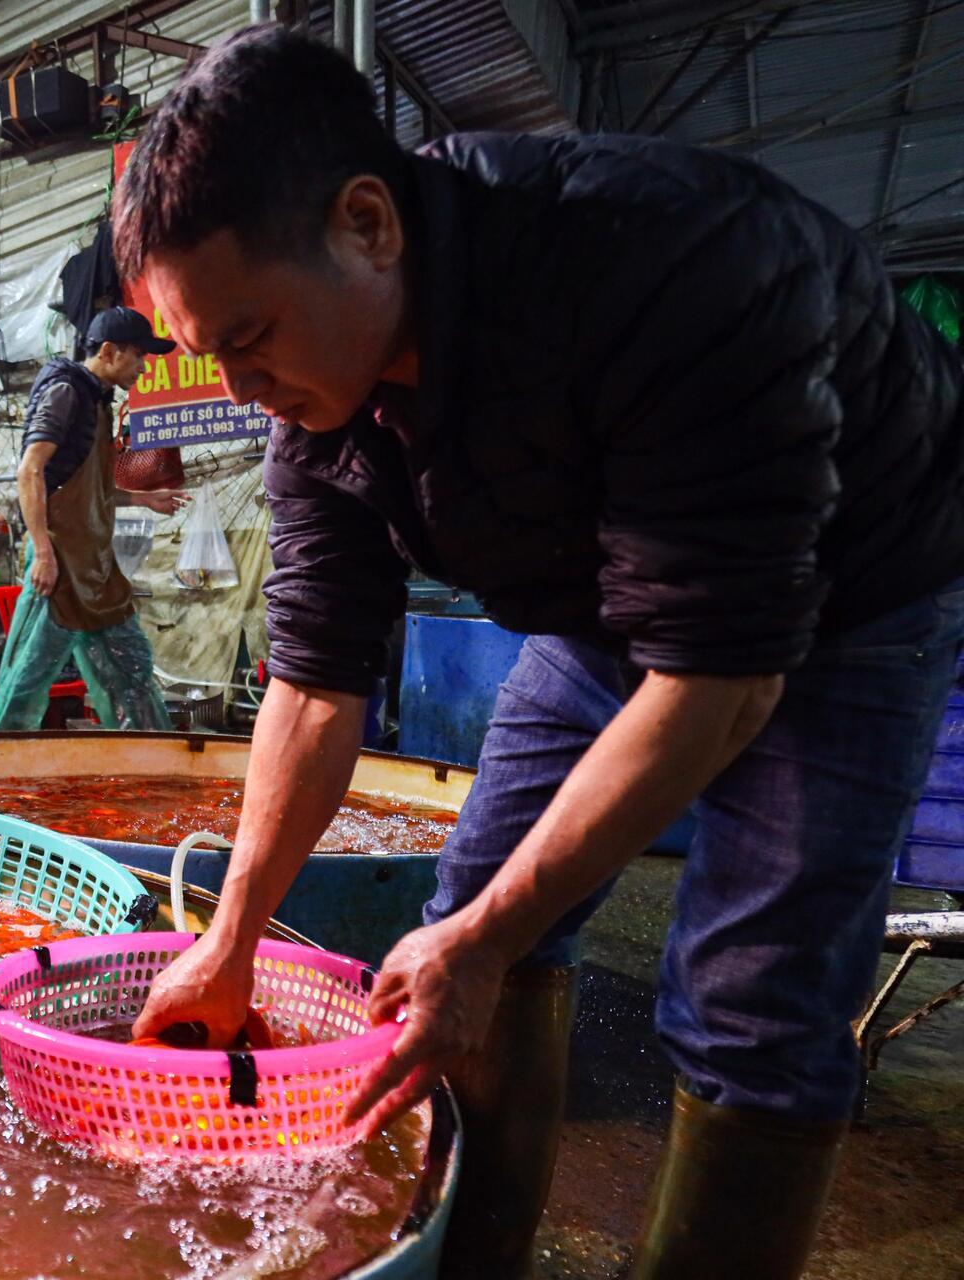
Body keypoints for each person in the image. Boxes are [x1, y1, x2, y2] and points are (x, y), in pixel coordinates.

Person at [114, 26, 964, 1280]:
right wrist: (231, 938)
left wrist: (496, 936)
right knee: (459, 925)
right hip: (612, 605)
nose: (239, 386)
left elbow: (722, 682)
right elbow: (312, 679)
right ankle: (479, 1256)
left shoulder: (668, 265)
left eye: (250, 336)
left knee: (747, 998)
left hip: (856, 592)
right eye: (212, 352)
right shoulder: (318, 404)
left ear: (368, 222)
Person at [0, 307, 187, 732]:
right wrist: (42, 552)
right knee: (27, 679)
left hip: (96, 568)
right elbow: (31, 470)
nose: (142, 367)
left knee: (131, 671)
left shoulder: (98, 398)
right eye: (138, 356)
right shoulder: (66, 392)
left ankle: (154, 761)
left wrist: (142, 498)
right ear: (109, 351)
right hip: (60, 568)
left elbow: (85, 487)